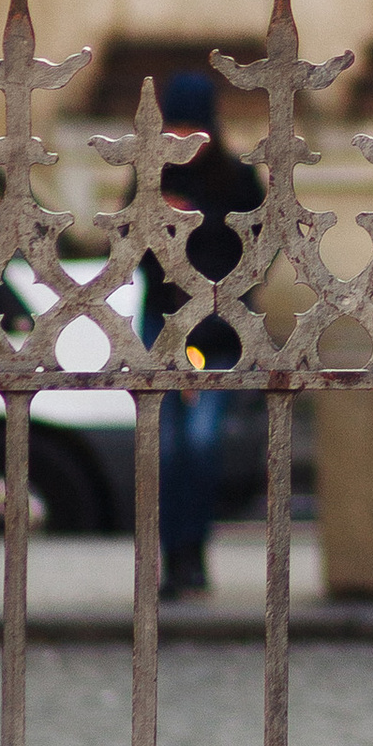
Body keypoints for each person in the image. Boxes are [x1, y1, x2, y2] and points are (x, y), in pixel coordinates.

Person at [137, 66, 266, 601]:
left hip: (218, 333)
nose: (183, 140)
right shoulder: (151, 177)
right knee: (166, 447)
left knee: (202, 443)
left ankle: (195, 551)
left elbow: (255, 255)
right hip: (163, 326)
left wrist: (201, 222)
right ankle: (173, 556)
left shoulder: (234, 180)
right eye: (175, 128)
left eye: (193, 129)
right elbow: (131, 252)